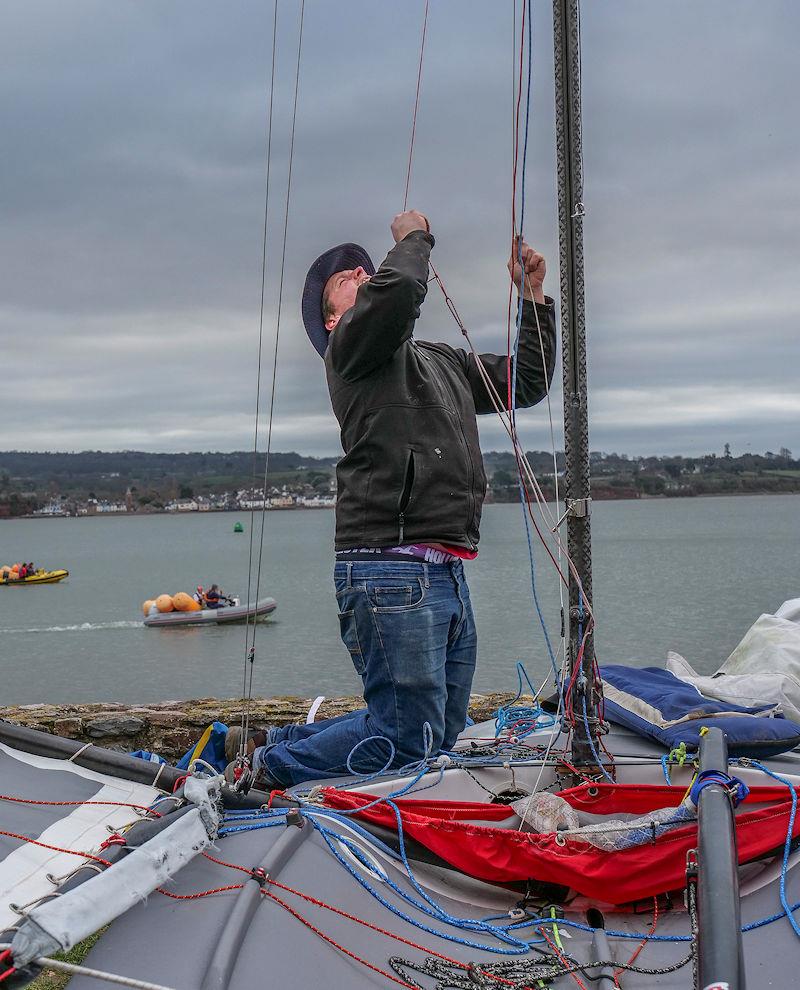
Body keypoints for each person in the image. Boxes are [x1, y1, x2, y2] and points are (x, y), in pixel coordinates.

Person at [225, 210, 556, 789]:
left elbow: (525, 384)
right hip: (387, 566)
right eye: (345, 279)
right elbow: (400, 287)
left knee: (437, 730)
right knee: (408, 738)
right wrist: (413, 238)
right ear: (333, 320)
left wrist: (533, 298)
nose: (361, 268)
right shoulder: (351, 349)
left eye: (362, 265)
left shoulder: (440, 359)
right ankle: (260, 773)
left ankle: (269, 745)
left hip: (445, 568)